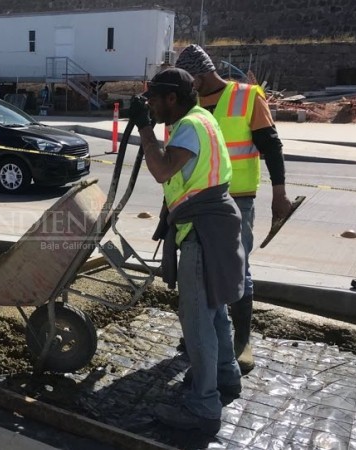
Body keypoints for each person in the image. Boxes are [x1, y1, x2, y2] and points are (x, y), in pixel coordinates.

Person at [130, 68, 244, 433]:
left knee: (196, 320)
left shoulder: (190, 127)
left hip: (203, 230)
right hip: (215, 224)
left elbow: (162, 171)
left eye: (153, 100)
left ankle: (204, 407)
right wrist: (151, 126)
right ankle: (226, 376)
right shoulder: (202, 118)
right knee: (215, 311)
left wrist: (144, 129)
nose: (150, 105)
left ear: (172, 99)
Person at [175, 44, 292, 373]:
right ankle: (204, 332)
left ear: (200, 76)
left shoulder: (246, 97)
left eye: (189, 80)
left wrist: (279, 193)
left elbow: (271, 145)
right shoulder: (188, 102)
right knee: (199, 269)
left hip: (236, 199)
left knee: (236, 271)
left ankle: (242, 341)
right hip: (193, 203)